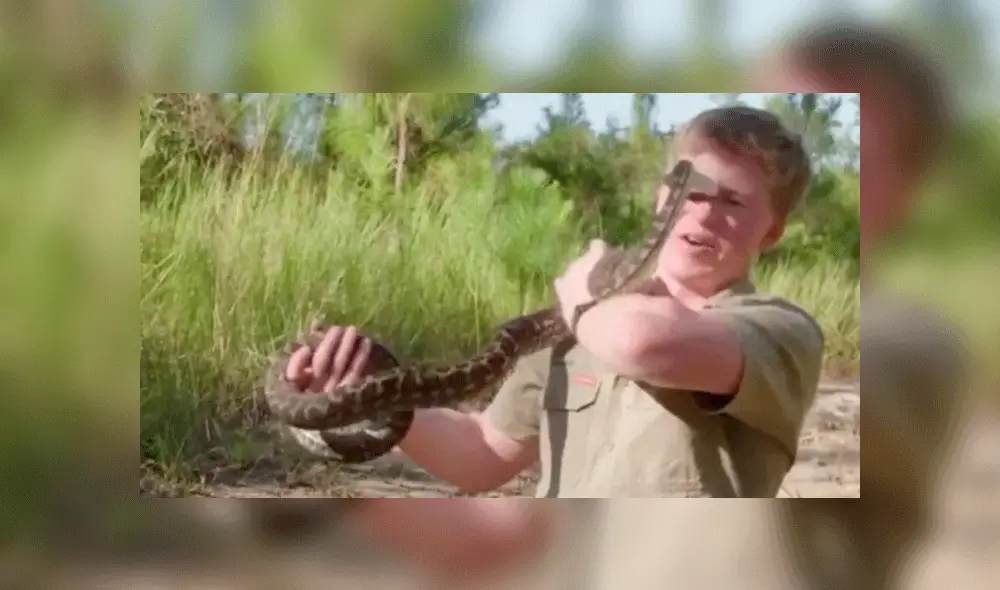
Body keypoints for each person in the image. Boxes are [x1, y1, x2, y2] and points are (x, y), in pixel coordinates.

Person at [282, 104, 826, 581]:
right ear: (665, 196)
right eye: (694, 191)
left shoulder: (778, 331)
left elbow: (641, 343)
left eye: (732, 202)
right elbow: (483, 453)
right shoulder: (574, 329)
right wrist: (368, 396)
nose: (705, 212)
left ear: (771, 231)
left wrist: (580, 294)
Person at [585, 21, 973, 590]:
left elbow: (657, 346)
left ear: (905, 188)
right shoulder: (637, 330)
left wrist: (583, 301)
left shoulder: (912, 347)